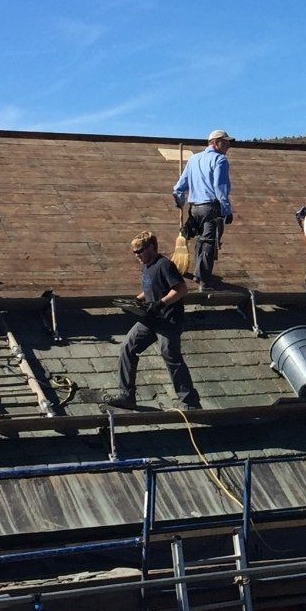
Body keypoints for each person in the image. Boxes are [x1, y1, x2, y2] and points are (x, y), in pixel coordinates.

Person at [103, 231, 201, 410]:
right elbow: (149, 289)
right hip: (150, 319)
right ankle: (126, 395)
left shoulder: (164, 265)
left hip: (168, 320)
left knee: (171, 356)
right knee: (127, 347)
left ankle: (189, 401)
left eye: (139, 251)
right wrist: (137, 300)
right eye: (134, 253)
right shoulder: (146, 266)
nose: (137, 256)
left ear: (151, 247)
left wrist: (160, 303)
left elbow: (181, 289)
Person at [172, 130, 234, 289]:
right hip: (210, 208)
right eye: (224, 141)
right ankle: (203, 281)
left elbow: (180, 187)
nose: (228, 145)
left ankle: (199, 274)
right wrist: (226, 209)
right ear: (215, 142)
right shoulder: (220, 160)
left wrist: (179, 199)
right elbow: (220, 187)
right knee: (208, 244)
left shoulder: (194, 159)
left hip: (194, 209)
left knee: (200, 242)